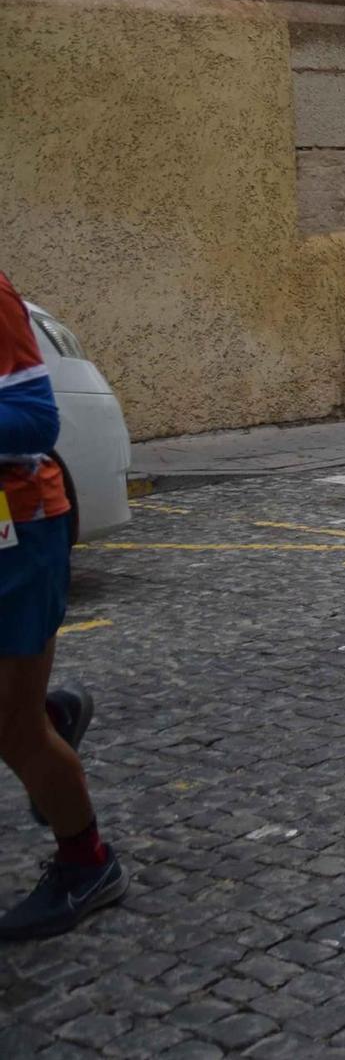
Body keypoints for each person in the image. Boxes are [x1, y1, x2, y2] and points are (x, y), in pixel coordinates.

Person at [0, 268, 127, 939]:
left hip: (16, 533)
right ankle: (49, 711)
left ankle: (88, 863)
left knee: (11, 730)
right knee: (15, 716)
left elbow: (35, 418)